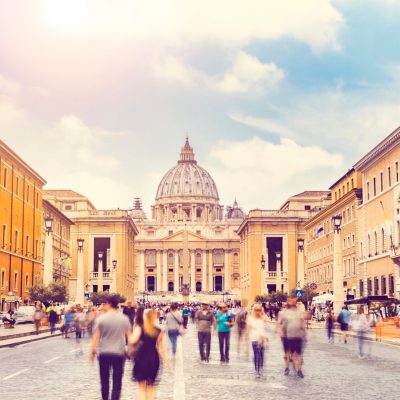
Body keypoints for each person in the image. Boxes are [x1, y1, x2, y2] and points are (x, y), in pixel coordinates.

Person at [90, 295, 131, 400]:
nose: (103, 305)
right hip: (119, 353)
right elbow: (129, 338)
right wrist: (130, 351)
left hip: (104, 353)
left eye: (104, 303)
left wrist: (92, 352)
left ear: (109, 304)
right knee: (117, 380)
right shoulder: (124, 319)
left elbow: (96, 338)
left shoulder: (101, 319)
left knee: (104, 380)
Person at [131, 309, 165, 400]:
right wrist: (165, 361)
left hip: (142, 357)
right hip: (154, 358)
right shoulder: (159, 330)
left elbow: (132, 340)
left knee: (142, 387)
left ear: (144, 317)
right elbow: (161, 348)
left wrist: (131, 330)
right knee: (151, 385)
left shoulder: (140, 328)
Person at [278, 297, 306, 378]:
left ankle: (299, 370)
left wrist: (304, 331)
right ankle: (288, 368)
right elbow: (283, 324)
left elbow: (302, 323)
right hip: (289, 336)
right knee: (290, 354)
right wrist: (282, 333)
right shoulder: (285, 313)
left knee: (298, 354)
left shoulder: (299, 312)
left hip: (298, 336)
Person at [247, 304, 268, 377]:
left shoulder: (263, 318)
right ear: (253, 310)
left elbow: (264, 328)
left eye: (259, 310)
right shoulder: (250, 319)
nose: (258, 311)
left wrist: (265, 337)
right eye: (256, 310)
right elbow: (248, 329)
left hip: (262, 339)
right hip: (254, 339)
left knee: (262, 354)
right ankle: (257, 368)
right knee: (257, 354)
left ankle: (261, 368)